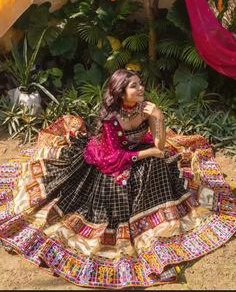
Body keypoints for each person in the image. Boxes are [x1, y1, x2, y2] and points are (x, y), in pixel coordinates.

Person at [0, 69, 235, 289]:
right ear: (122, 93)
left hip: (137, 152)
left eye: (140, 85)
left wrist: (158, 117)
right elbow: (114, 156)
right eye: (134, 86)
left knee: (159, 166)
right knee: (117, 186)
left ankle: (158, 214)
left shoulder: (145, 108)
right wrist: (147, 153)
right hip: (109, 159)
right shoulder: (111, 118)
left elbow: (160, 146)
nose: (141, 89)